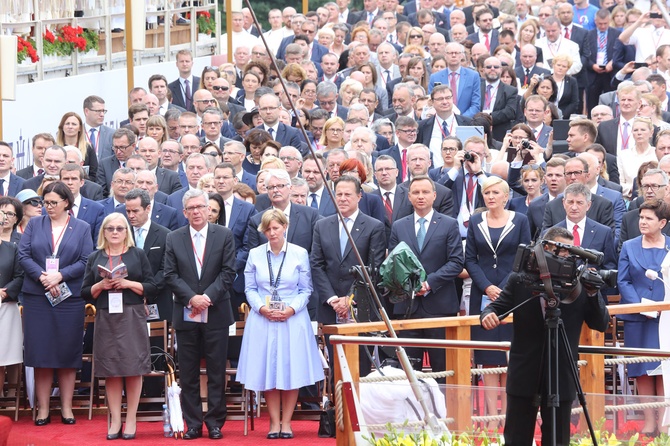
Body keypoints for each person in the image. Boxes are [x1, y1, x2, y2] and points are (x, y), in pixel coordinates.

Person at [480, 226, 609, 445]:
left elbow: (600, 323)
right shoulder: (520, 280)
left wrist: (593, 292)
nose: (566, 256)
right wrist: (488, 315)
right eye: (561, 250)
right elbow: (495, 307)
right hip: (524, 374)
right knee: (516, 438)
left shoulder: (578, 284)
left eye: (570, 252)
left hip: (561, 374)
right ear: (545, 248)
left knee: (557, 440)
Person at [238, 209, 324, 439]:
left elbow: (306, 289)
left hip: (292, 317)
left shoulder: (299, 253)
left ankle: (287, 422)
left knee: (291, 367)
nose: (272, 233)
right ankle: (274, 422)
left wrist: (291, 309)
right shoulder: (256, 254)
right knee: (268, 369)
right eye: (267, 229)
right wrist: (261, 308)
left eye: (276, 228)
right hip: (263, 316)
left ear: (285, 227)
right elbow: (249, 288)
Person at [18, 181, 93, 426]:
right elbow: (23, 254)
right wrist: (43, 276)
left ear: (66, 203)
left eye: (53, 203)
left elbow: (85, 260)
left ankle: (67, 408)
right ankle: (42, 409)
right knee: (41, 352)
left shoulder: (81, 227)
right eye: (44, 202)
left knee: (66, 351)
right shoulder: (34, 224)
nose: (47, 207)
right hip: (37, 295)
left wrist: (60, 275)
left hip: (68, 296)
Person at [164, 189, 236, 440]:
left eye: (200, 207)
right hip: (185, 313)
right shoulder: (174, 238)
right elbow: (170, 274)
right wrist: (191, 298)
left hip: (215, 312)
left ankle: (215, 422)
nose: (196, 212)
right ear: (184, 212)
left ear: (208, 210)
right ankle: (193, 422)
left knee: (217, 371)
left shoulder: (224, 235)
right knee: (189, 372)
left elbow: (228, 272)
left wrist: (207, 298)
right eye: (191, 208)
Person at [465, 176, 531, 430]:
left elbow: (524, 256)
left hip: (513, 294)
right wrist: (486, 286)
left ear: (506, 196)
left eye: (495, 193)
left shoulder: (521, 220)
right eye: (486, 193)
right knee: (488, 358)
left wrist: (503, 287)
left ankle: (509, 418)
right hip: (482, 295)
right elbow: (470, 259)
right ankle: (492, 419)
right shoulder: (475, 221)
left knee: (510, 358)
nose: (490, 197)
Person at [81, 213, 154, 440]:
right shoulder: (95, 257)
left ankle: (131, 418)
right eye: (110, 228)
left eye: (120, 228)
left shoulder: (137, 254)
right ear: (103, 232)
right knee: (111, 370)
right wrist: (101, 285)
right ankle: (115, 419)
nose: (115, 232)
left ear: (126, 232)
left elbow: (152, 286)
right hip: (105, 316)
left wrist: (127, 283)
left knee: (132, 368)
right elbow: (84, 293)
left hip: (131, 314)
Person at [388, 175, 464, 375]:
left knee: (443, 370)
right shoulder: (399, 226)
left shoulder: (449, 224)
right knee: (409, 372)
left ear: (434, 196)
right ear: (409, 197)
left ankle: (442, 408)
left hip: (440, 306)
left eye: (425, 192)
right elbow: (393, 263)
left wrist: (428, 283)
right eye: (416, 192)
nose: (420, 196)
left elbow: (456, 262)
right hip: (407, 307)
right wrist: (411, 285)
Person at [618, 198, 669, 436]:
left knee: (663, 369)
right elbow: (623, 280)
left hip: (666, 319)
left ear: (662, 222)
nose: (643, 222)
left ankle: (665, 423)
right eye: (641, 217)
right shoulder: (629, 246)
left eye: (649, 218)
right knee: (641, 369)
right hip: (638, 317)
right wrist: (641, 306)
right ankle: (649, 422)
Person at [0, 210, 23, 406]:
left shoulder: (11, 249)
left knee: (0, 361)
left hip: (5, 308)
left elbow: (19, 276)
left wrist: (4, 292)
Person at [55, 112, 98, 181]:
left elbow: (94, 174)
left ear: (80, 128)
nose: (70, 127)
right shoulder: (55, 148)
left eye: (74, 124)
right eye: (67, 124)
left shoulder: (88, 147)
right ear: (62, 127)